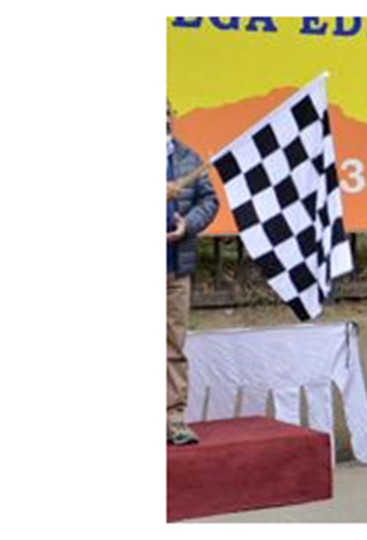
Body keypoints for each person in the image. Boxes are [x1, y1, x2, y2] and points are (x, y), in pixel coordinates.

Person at [166, 99, 219, 446]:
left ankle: (173, 419)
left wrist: (189, 226)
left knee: (172, 346)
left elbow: (209, 201)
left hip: (174, 271)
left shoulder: (188, 158)